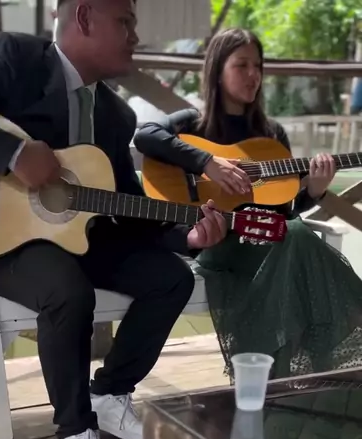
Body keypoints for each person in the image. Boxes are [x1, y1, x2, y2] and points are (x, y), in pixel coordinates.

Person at [0, 0, 227, 439]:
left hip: (82, 237)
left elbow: (129, 208)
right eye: (125, 22)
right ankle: (74, 432)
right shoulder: (20, 63)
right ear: (83, 18)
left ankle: (110, 394)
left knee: (171, 279)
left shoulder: (116, 114)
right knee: (66, 290)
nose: (135, 36)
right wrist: (12, 153)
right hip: (4, 240)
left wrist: (188, 234)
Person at [134, 28, 362, 381]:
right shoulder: (192, 124)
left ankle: (273, 376)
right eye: (242, 65)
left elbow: (283, 213)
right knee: (296, 241)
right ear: (217, 71)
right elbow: (145, 135)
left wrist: (314, 190)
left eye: (258, 66)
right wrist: (208, 163)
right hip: (219, 244)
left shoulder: (271, 136)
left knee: (293, 235)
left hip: (269, 242)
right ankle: (320, 360)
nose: (253, 74)